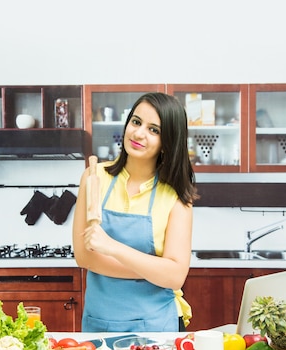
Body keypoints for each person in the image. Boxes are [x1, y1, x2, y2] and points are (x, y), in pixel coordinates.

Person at [73, 92, 198, 332]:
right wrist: (153, 271)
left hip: (156, 327)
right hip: (100, 322)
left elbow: (174, 277)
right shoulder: (93, 177)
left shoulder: (177, 195)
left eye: (154, 130)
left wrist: (113, 248)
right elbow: (84, 257)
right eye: (136, 122)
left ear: (168, 141)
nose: (139, 133)